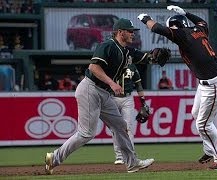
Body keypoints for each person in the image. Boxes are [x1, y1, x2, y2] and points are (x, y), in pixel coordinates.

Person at [44, 18, 155, 174]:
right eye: (130, 31)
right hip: (90, 89)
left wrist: (156, 55)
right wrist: (112, 83)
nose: (132, 34)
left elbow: (146, 58)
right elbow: (94, 67)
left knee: (120, 126)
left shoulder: (126, 50)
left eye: (133, 31)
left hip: (104, 93)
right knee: (86, 133)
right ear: (120, 32)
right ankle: (53, 158)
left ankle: (132, 163)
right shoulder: (107, 46)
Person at [138, 5, 217, 170]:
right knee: (196, 114)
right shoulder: (197, 30)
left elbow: (157, 28)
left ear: (173, 26)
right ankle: (210, 150)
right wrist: (186, 13)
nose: (170, 31)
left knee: (203, 124)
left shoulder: (182, 35)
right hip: (209, 81)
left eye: (171, 28)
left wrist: (145, 18)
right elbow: (203, 22)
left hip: (214, 84)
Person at [112, 63, 150, 165]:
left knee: (127, 128)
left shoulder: (132, 67)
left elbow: (138, 84)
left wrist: (143, 102)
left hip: (128, 98)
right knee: (116, 128)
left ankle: (131, 155)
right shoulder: (112, 64)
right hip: (113, 98)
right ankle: (119, 156)